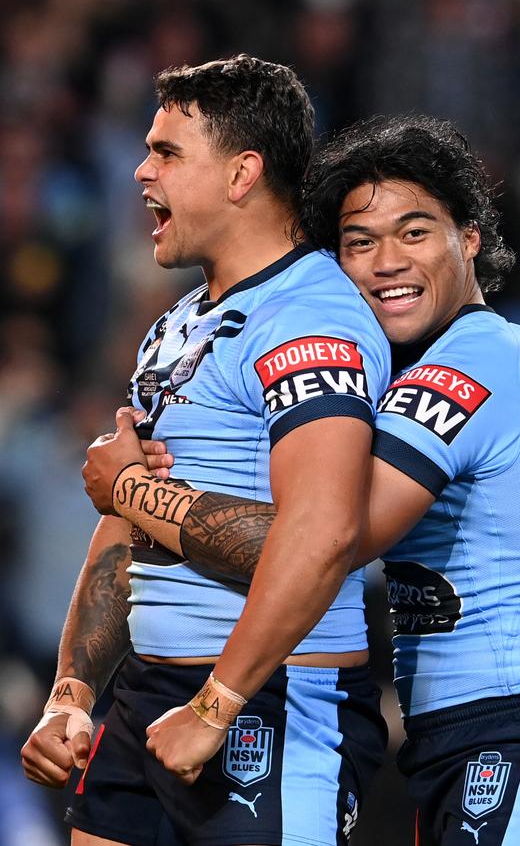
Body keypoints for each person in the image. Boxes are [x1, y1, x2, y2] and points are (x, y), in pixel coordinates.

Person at [93, 115, 520, 846]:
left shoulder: (472, 359)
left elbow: (335, 535)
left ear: (469, 237)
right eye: (358, 242)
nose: (385, 262)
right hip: (457, 742)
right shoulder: (424, 365)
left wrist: (131, 490)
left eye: (415, 233)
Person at [21, 55, 392, 846]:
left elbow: (321, 535)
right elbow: (128, 528)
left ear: (241, 174)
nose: (139, 169)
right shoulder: (179, 322)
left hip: (273, 698)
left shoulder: (310, 318)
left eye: (166, 152)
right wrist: (73, 690)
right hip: (151, 693)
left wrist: (216, 702)